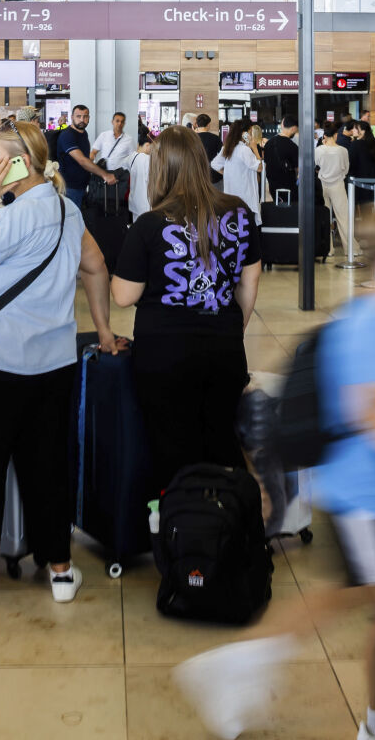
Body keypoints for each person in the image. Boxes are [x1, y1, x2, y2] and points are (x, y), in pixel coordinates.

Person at [173, 206, 375, 740]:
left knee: (358, 595)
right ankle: (372, 721)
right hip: (364, 495)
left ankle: (256, 672)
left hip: (369, 490)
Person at [0, 120, 122, 602]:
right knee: (47, 467)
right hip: (53, 365)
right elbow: (96, 266)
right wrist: (102, 329)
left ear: (19, 161)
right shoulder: (65, 209)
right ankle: (59, 569)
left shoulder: (9, 217)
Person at [113, 126, 261, 497]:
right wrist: (230, 327)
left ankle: (184, 536)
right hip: (225, 347)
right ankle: (228, 528)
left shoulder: (149, 224)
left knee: (171, 449)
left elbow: (123, 296)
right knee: (222, 440)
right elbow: (250, 281)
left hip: (163, 353)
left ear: (160, 169)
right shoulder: (239, 213)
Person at [55, 103, 116, 208]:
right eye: (78, 116)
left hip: (81, 187)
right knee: (70, 221)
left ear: (89, 118)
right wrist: (104, 174)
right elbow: (82, 160)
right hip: (69, 188)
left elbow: (86, 157)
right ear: (72, 117)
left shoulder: (83, 133)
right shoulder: (67, 135)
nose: (82, 120)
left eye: (85, 116)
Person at [316, 121, 359, 260]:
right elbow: (346, 169)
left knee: (323, 218)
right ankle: (351, 249)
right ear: (335, 135)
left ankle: (328, 249)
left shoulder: (319, 150)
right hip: (338, 185)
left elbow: (315, 166)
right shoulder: (343, 150)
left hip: (322, 184)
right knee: (343, 218)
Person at [213, 118, 265, 223]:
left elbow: (215, 164)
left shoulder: (227, 148)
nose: (251, 135)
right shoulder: (244, 150)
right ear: (244, 134)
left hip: (230, 196)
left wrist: (227, 174)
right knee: (246, 228)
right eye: (250, 132)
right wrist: (254, 148)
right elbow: (260, 168)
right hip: (246, 198)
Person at [92, 111, 137, 177]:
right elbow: (93, 152)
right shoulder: (104, 135)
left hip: (120, 175)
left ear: (124, 123)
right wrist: (89, 165)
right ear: (112, 122)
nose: (119, 124)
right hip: (104, 173)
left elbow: (133, 159)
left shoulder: (129, 140)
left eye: (122, 122)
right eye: (117, 121)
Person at [264, 116, 300, 197]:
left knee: (277, 209)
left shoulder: (269, 143)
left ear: (282, 125)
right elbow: (299, 170)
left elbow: (266, 165)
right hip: (289, 189)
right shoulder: (293, 146)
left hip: (273, 188)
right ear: (294, 128)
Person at [127, 123, 154, 219]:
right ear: (147, 145)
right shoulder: (148, 160)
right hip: (146, 204)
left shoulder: (131, 157)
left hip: (134, 202)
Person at [195, 114, 223, 184]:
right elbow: (223, 155)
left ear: (197, 125)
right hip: (213, 175)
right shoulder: (215, 138)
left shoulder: (192, 138)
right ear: (208, 125)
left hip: (196, 175)